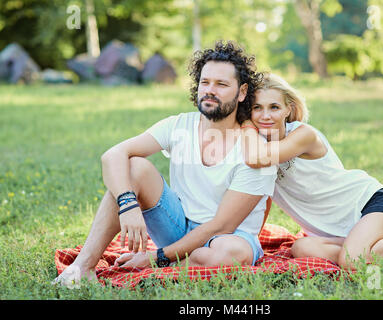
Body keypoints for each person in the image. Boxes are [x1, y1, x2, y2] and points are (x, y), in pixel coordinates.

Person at [53, 41, 276, 287]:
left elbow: (221, 225)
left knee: (230, 253)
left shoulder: (256, 150)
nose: (210, 90)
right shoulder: (179, 125)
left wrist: (154, 257)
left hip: (228, 237)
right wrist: (128, 204)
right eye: (205, 82)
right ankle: (82, 267)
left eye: (221, 84)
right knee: (133, 167)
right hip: (177, 225)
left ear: (242, 92)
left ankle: (172, 263)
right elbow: (113, 155)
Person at [240, 73, 383, 270]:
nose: (265, 115)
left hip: (370, 207)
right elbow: (261, 196)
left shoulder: (303, 135)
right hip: (335, 233)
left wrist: (246, 123)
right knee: (301, 248)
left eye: (274, 107)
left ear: (288, 109)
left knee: (352, 261)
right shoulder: (256, 144)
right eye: (257, 107)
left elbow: (255, 158)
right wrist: (252, 240)